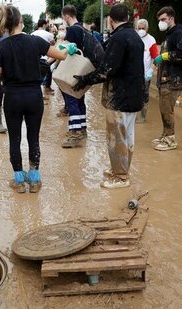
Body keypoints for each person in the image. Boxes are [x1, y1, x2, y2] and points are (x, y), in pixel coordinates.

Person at [0, 5, 74, 193]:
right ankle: (34, 180)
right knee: (33, 138)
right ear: (20, 22)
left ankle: (19, 181)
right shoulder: (35, 41)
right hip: (34, 96)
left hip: (12, 98)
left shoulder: (0, 47)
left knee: (15, 139)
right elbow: (60, 55)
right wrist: (68, 48)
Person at [73, 3, 145, 189]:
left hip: (120, 98)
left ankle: (120, 177)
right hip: (133, 96)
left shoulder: (119, 38)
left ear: (111, 21)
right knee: (127, 136)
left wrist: (85, 79)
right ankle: (120, 170)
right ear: (128, 19)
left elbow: (106, 71)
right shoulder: (135, 36)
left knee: (116, 137)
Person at [153, 6, 182, 151]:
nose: (161, 22)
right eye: (159, 20)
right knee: (164, 108)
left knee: (167, 110)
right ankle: (165, 135)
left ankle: (170, 140)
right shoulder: (170, 34)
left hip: (174, 80)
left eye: (163, 19)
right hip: (166, 79)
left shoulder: (179, 33)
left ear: (171, 18)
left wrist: (165, 56)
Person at [60, 5, 91, 148]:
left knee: (71, 99)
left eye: (63, 18)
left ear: (66, 16)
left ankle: (75, 132)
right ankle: (82, 129)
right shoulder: (83, 29)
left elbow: (66, 52)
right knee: (79, 99)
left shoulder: (72, 30)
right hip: (84, 70)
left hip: (73, 70)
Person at [136, 18, 158, 123]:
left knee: (144, 96)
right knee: (133, 95)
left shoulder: (151, 40)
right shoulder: (134, 38)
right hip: (134, 74)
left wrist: (151, 70)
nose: (141, 30)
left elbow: (156, 58)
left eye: (143, 28)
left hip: (145, 75)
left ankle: (142, 117)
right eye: (139, 28)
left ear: (147, 29)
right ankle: (133, 116)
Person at [32, 18, 56, 94]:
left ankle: (45, 88)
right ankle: (44, 90)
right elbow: (53, 43)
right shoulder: (48, 34)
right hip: (45, 57)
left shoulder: (33, 33)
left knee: (37, 75)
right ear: (44, 25)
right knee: (47, 73)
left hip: (35, 58)